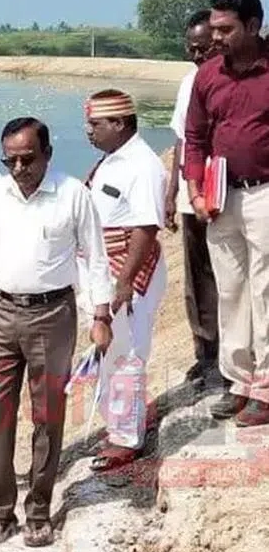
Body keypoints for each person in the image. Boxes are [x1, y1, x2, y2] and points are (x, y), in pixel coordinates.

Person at [0, 118, 114, 547]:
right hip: (1, 313)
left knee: (47, 416)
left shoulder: (72, 195)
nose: (18, 168)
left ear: (47, 154)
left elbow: (96, 259)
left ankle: (38, 510)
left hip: (53, 316)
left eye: (27, 159)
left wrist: (100, 317)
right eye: (9, 159)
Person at [184, 0, 269, 426]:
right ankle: (238, 380)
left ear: (253, 26)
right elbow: (195, 139)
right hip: (220, 198)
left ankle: (267, 388)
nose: (215, 37)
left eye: (225, 29)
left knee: (266, 291)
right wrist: (197, 193)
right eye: (213, 28)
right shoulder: (208, 76)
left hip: (265, 195)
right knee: (231, 291)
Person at [81, 90, 167, 471]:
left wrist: (124, 281)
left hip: (126, 268)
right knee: (109, 352)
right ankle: (118, 425)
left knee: (126, 353)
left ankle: (127, 439)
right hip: (104, 266)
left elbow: (146, 227)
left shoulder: (143, 165)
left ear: (119, 123)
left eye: (95, 124)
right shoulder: (111, 161)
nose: (88, 131)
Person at [167, 10, 226, 392]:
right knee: (197, 280)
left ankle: (228, 357)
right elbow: (181, 139)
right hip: (193, 194)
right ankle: (204, 353)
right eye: (191, 49)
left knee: (229, 278)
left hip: (226, 194)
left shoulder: (228, 80)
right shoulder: (190, 82)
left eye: (203, 48)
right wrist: (170, 190)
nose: (196, 55)